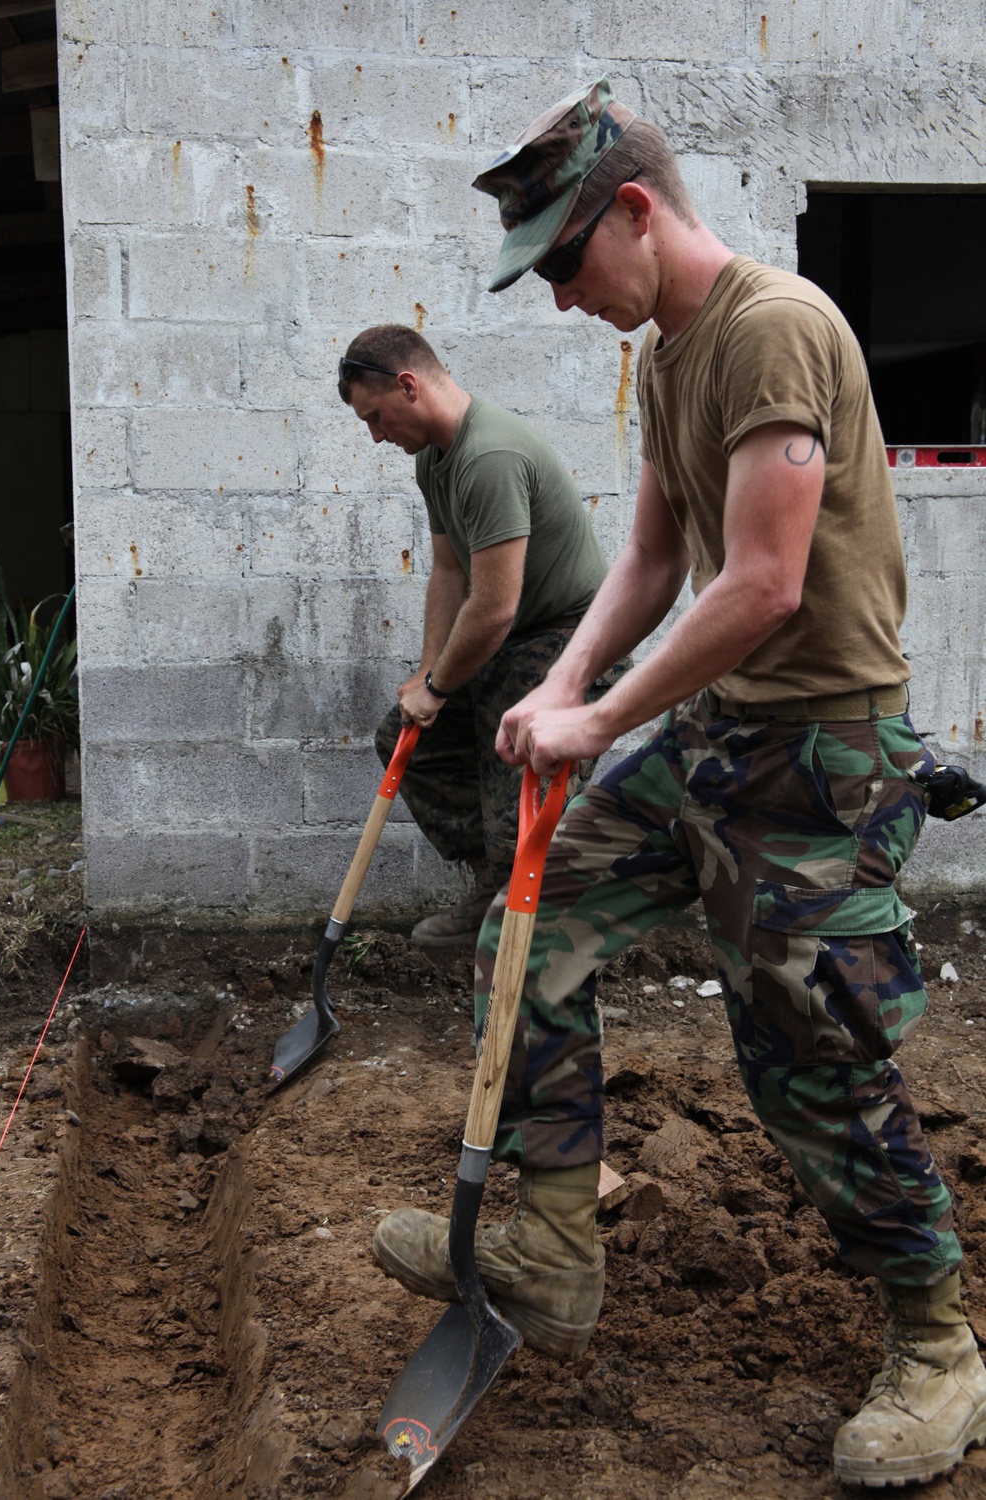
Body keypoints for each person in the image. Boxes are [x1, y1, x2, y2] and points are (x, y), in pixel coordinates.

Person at [372, 80, 986, 1486]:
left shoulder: (777, 329)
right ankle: (552, 1240)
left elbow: (764, 585)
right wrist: (563, 686)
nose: (559, 298)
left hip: (825, 758)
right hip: (721, 735)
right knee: (536, 930)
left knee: (806, 1059)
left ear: (635, 214)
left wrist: (598, 722)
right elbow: (653, 560)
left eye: (567, 265)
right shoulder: (668, 354)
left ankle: (940, 1344)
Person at [337, 325, 629, 946]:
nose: (376, 435)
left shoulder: (488, 457)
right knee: (406, 739)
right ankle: (494, 891)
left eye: (376, 416)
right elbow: (449, 570)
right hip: (509, 640)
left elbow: (495, 607)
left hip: (566, 640)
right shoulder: (433, 459)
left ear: (408, 386)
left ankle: (545, 947)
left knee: (521, 812)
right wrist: (426, 674)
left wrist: (440, 686)